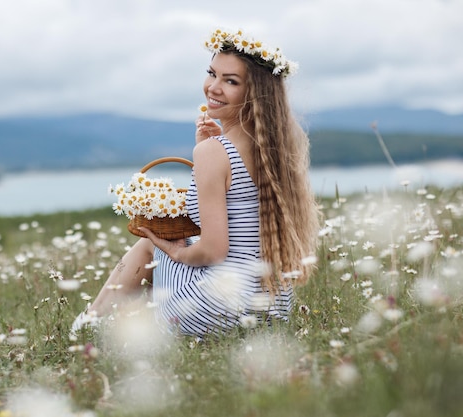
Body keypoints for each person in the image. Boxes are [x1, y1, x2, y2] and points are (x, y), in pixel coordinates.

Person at [72, 28, 320, 337]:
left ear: (255, 93)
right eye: (212, 73)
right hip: (273, 306)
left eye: (231, 81)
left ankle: (87, 325)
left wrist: (174, 252)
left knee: (151, 242)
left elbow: (214, 250)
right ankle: (121, 324)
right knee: (168, 257)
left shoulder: (213, 153)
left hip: (214, 308)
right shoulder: (282, 147)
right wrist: (211, 148)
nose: (213, 88)